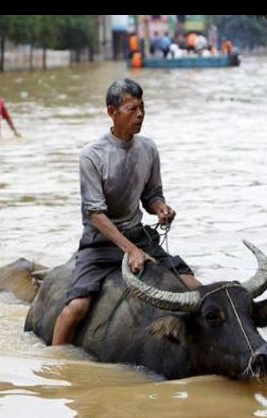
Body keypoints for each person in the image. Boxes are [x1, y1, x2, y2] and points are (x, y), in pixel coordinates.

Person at [52, 78, 201, 346]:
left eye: (142, 108)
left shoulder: (148, 148)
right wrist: (130, 250)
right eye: (132, 109)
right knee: (77, 308)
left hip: (139, 236)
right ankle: (55, 359)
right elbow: (95, 214)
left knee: (194, 287)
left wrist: (160, 208)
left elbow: (151, 194)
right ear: (112, 111)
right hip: (100, 244)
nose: (140, 114)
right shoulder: (92, 155)